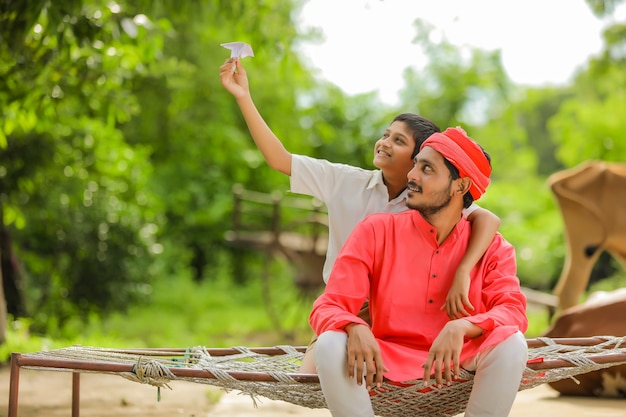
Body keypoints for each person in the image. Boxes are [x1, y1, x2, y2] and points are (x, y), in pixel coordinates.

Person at [219, 57, 501, 370]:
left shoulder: (429, 199)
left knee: (407, 383)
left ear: (420, 157)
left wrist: (463, 270)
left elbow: (487, 219)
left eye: (398, 140)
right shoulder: (345, 181)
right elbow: (279, 159)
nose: (384, 143)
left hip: (401, 317)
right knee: (313, 373)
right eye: (385, 134)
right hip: (345, 308)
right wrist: (243, 96)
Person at [309, 126, 528, 417]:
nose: (412, 176)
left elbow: (513, 311)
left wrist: (462, 327)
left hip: (460, 359)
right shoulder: (377, 230)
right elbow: (328, 304)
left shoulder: (494, 248)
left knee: (512, 343)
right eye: (415, 165)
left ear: (460, 186)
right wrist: (354, 326)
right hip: (386, 358)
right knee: (330, 343)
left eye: (427, 169)